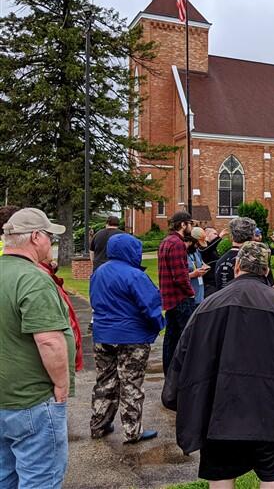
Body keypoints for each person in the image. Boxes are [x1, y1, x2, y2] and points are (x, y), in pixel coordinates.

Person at [162, 242, 274, 489]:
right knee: (273, 476)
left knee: (222, 475)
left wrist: (174, 397)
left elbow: (181, 358)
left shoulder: (208, 306)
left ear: (237, 267)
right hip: (270, 410)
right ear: (266, 271)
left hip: (220, 412)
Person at [0, 208, 74, 488]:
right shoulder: (33, 278)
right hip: (31, 400)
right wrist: (61, 388)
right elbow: (49, 340)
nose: (51, 244)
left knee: (4, 477)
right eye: (49, 237)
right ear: (34, 237)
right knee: (40, 479)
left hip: (5, 397)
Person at [90, 233, 164, 443]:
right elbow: (150, 306)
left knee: (105, 381)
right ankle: (133, 431)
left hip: (103, 335)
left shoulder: (99, 272)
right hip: (131, 337)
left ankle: (99, 424)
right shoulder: (134, 275)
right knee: (130, 383)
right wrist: (158, 325)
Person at [158, 211, 196, 374]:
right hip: (181, 298)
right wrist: (191, 292)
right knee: (185, 338)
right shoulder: (177, 243)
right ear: (183, 224)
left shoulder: (166, 241)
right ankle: (182, 374)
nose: (191, 227)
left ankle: (170, 373)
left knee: (171, 338)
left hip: (169, 298)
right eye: (190, 223)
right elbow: (180, 276)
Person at [216, 217, 274, 290]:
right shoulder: (257, 259)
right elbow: (273, 287)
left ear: (231, 237)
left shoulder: (220, 261)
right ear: (252, 236)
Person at [198, 226, 226, 297]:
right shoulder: (201, 247)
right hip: (208, 283)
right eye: (215, 234)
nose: (217, 235)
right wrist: (219, 237)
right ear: (206, 235)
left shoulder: (212, 248)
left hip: (215, 281)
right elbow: (205, 250)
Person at [187, 228, 209, 304]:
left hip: (199, 294)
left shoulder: (196, 251)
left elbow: (202, 263)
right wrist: (193, 274)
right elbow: (177, 277)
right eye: (198, 243)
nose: (198, 246)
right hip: (189, 296)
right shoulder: (182, 253)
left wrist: (204, 268)